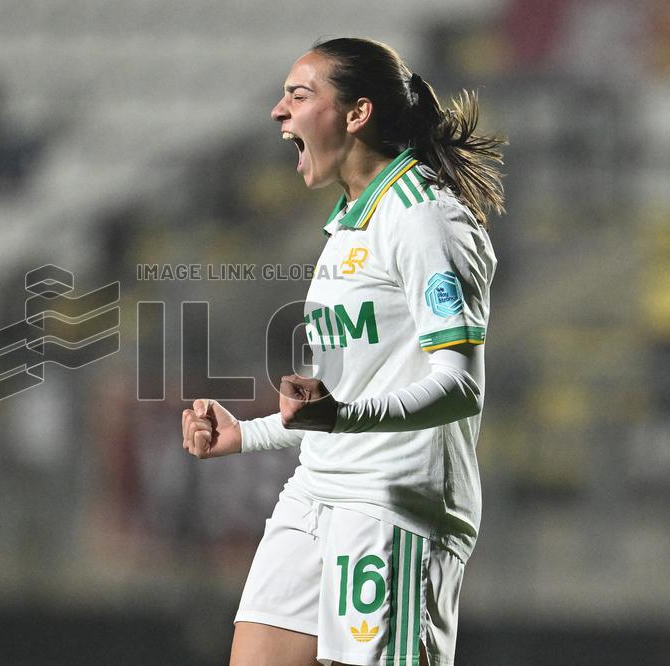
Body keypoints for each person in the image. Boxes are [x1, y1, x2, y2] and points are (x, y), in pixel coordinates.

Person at [181, 37, 504, 666]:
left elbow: (460, 385)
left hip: (394, 504)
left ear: (356, 114)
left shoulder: (425, 219)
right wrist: (243, 435)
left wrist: (343, 419)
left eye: (299, 96)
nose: (278, 111)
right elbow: (342, 403)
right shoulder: (350, 222)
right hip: (315, 492)